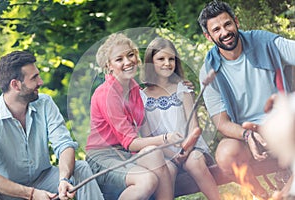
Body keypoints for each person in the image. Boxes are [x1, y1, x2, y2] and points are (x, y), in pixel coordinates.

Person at [198, 0, 295, 198]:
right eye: (216, 29)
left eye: (227, 24)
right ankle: (262, 195)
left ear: (236, 22)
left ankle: (285, 195)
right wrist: (247, 135)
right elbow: (221, 122)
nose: (224, 32)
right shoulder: (209, 71)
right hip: (250, 134)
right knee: (225, 154)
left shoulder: (265, 42)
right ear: (208, 36)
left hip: (283, 125)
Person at [85, 33, 183, 200]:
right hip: (102, 157)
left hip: (125, 155)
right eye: (119, 59)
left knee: (169, 166)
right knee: (147, 180)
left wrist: (172, 152)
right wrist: (166, 138)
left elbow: (145, 132)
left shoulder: (134, 88)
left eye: (130, 55)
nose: (127, 62)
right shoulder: (106, 94)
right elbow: (130, 143)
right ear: (109, 66)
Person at [0, 51, 104, 200]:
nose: (40, 82)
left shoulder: (44, 103)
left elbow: (64, 144)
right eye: (34, 78)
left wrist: (64, 179)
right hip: (7, 190)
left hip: (43, 179)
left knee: (81, 168)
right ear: (15, 85)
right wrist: (31, 194)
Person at [139, 37, 220, 200]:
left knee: (194, 162)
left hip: (191, 148)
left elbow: (194, 127)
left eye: (171, 59)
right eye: (161, 59)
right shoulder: (142, 97)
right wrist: (172, 154)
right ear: (150, 62)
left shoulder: (182, 88)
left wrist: (185, 150)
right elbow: (147, 136)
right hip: (164, 152)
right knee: (166, 170)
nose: (167, 63)